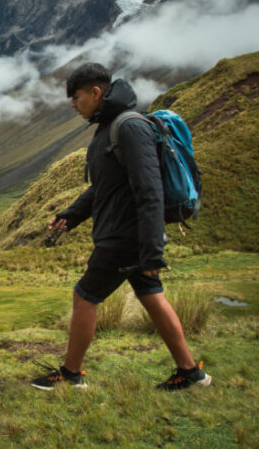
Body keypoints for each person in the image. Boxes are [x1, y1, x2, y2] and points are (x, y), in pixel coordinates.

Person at [31, 62, 211, 392]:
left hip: (124, 237)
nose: (73, 104)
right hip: (130, 236)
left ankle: (70, 375)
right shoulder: (109, 127)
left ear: (96, 92)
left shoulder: (128, 128)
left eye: (76, 97)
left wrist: (153, 251)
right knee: (151, 295)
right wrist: (71, 216)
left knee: (85, 296)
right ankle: (190, 373)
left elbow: (150, 189)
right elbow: (103, 187)